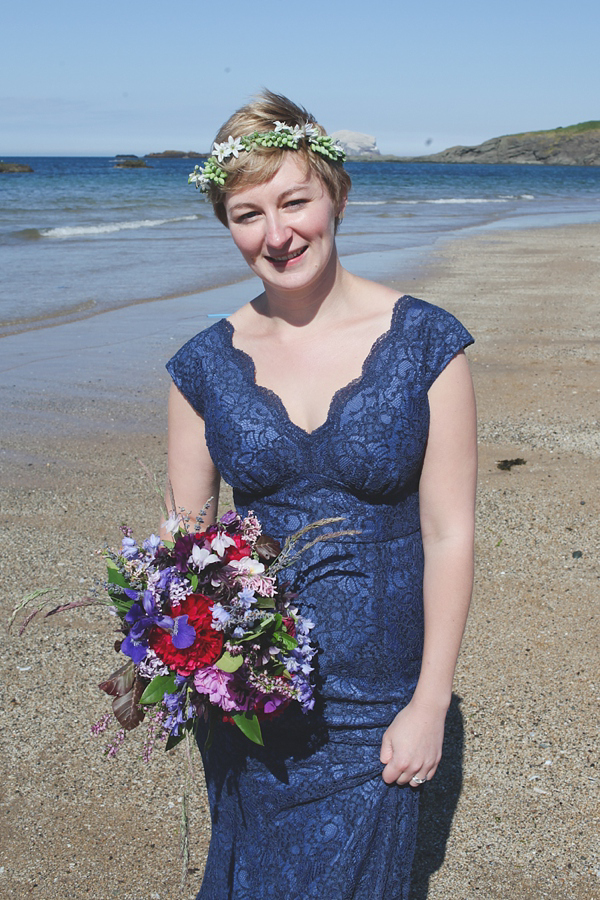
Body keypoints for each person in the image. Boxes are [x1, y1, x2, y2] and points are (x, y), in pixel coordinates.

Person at [165, 90, 476, 900]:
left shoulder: (426, 342)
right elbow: (188, 551)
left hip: (381, 695)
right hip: (253, 699)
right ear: (226, 224)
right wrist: (191, 668)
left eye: (294, 200)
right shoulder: (202, 366)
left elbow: (449, 531)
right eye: (246, 213)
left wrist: (430, 701)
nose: (277, 234)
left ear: (335, 192)